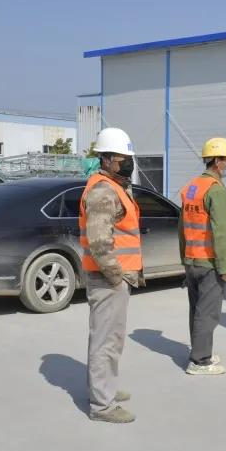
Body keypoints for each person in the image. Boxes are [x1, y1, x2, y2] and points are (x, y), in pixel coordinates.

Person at [81, 127, 142, 423]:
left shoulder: (114, 187)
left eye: (128, 158)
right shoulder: (103, 191)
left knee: (112, 339)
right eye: (122, 158)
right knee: (105, 341)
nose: (128, 163)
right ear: (106, 160)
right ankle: (102, 405)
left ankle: (105, 387)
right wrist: (116, 276)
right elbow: (99, 241)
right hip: (108, 279)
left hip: (115, 278)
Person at [178, 137, 226, 375]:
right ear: (217, 161)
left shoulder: (192, 187)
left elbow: (182, 227)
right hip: (210, 262)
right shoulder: (216, 190)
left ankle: (200, 350)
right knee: (208, 312)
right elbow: (222, 232)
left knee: (196, 309)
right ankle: (200, 360)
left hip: (192, 259)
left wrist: (184, 258)